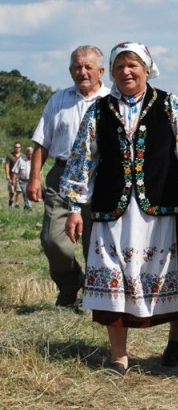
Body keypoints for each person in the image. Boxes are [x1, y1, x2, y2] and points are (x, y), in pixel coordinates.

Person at [60, 41, 178, 375]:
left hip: (162, 208)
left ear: (147, 69)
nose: (126, 72)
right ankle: (119, 355)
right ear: (111, 72)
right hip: (113, 210)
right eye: (119, 66)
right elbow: (83, 158)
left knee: (165, 275)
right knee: (112, 278)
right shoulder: (99, 110)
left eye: (133, 65)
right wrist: (75, 206)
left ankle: (177, 332)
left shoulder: (170, 104)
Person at [27, 46, 111, 307]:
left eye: (88, 67)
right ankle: (70, 282)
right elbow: (41, 141)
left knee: (94, 243)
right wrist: (35, 178)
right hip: (61, 175)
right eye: (77, 67)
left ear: (101, 71)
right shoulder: (59, 99)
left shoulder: (111, 100)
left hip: (100, 176)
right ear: (70, 70)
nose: (82, 72)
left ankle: (93, 297)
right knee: (53, 240)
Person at [5, 142, 21, 208]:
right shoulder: (10, 156)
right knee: (11, 190)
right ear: (14, 148)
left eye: (18, 147)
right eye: (16, 147)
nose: (17, 148)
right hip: (11, 175)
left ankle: (17, 204)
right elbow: (7, 165)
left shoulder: (23, 156)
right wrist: (7, 175)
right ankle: (11, 200)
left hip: (20, 176)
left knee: (19, 190)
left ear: (20, 148)